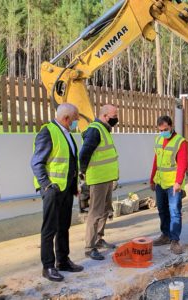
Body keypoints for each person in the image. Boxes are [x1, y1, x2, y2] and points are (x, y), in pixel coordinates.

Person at [31, 103, 84, 282]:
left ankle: (63, 260)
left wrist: (73, 185)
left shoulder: (67, 133)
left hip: (66, 190)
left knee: (64, 227)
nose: (77, 121)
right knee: (50, 229)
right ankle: (48, 266)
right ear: (66, 118)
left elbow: (69, 162)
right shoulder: (48, 132)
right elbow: (37, 162)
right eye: (75, 118)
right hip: (52, 190)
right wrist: (46, 185)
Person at [79, 104, 120, 260]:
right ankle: (90, 247)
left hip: (107, 179)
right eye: (114, 115)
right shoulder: (95, 130)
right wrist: (83, 172)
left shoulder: (104, 130)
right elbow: (84, 153)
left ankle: (99, 239)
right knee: (95, 213)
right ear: (105, 116)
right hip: (98, 180)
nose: (116, 118)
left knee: (105, 210)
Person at [150, 115, 188, 255]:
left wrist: (178, 182)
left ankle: (174, 240)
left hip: (173, 185)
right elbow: (156, 161)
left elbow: (183, 164)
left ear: (171, 126)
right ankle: (165, 235)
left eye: (165, 129)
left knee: (175, 212)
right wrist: (152, 179)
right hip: (160, 182)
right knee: (162, 210)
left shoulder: (180, 142)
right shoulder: (159, 139)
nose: (163, 132)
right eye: (160, 130)